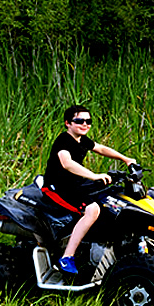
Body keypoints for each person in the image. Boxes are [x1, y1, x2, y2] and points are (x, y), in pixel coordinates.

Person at [43, 105, 136, 274]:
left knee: (111, 196)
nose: (85, 124)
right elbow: (67, 163)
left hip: (75, 183)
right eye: (79, 121)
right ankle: (66, 257)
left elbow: (100, 148)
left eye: (88, 121)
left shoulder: (82, 139)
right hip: (56, 187)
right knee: (92, 209)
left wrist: (126, 159)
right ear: (67, 123)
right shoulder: (63, 141)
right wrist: (94, 176)